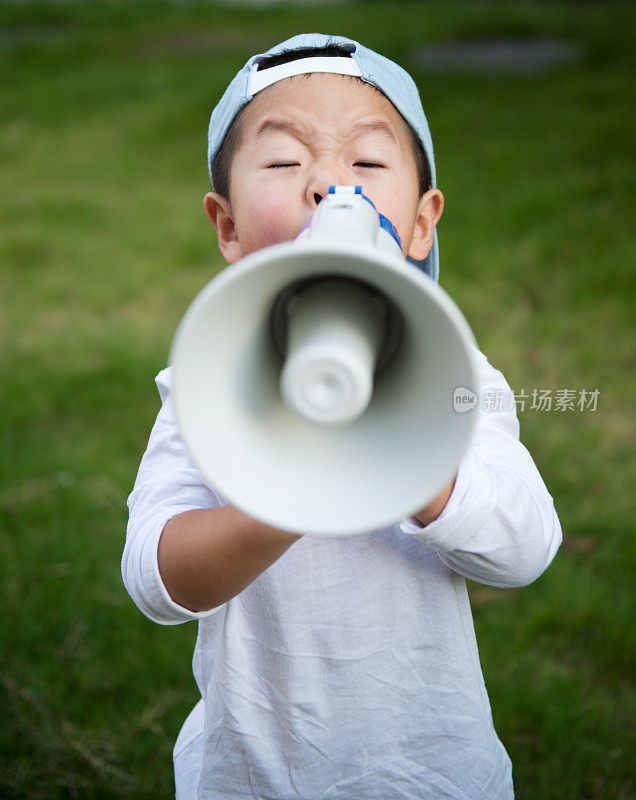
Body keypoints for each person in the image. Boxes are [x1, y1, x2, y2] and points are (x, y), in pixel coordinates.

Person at [122, 33, 562, 800]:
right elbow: (156, 578)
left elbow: (526, 548)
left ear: (422, 222)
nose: (329, 185)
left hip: (432, 774)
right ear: (226, 226)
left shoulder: (457, 377)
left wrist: (406, 461)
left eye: (366, 164)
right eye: (286, 162)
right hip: (251, 778)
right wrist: (293, 493)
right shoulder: (202, 382)